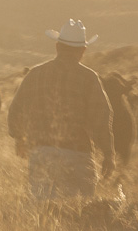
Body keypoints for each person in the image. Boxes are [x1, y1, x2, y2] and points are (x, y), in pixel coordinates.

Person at [6, 19, 115, 200]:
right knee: (79, 212)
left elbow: (16, 110)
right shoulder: (89, 78)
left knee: (43, 211)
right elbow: (101, 118)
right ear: (83, 51)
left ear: (57, 46)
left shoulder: (35, 74)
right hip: (78, 154)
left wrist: (20, 138)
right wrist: (108, 154)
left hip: (42, 154)